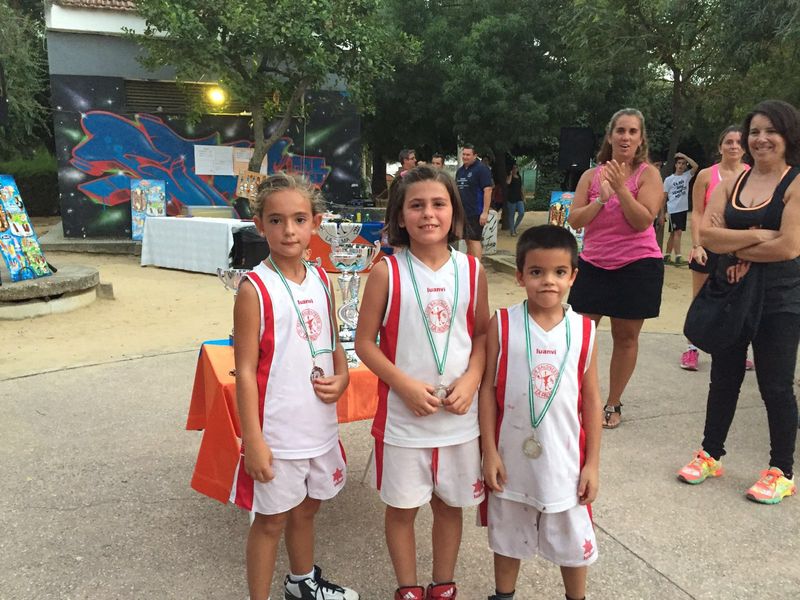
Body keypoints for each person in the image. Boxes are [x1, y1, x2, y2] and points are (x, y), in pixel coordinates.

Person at [355, 165, 490, 600]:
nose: (428, 213)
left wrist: (472, 378)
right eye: (416, 205)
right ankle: (408, 588)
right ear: (400, 216)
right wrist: (404, 385)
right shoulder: (387, 272)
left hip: (458, 418)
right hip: (405, 420)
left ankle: (443, 585)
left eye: (438, 204)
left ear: (454, 212)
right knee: (402, 508)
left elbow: (482, 335)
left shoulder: (472, 271)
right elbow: (364, 342)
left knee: (449, 506)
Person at [231, 173, 357, 600]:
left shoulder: (322, 279)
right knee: (270, 521)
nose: (289, 230)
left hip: (318, 425)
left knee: (307, 508)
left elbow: (334, 342)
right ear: (259, 225)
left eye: (299, 219)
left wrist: (342, 376)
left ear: (315, 223)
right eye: (276, 220)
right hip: (278, 433)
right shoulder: (254, 289)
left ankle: (302, 583)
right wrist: (253, 440)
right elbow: (244, 370)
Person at [677, 99, 800, 504]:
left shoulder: (795, 183)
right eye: (755, 132)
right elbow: (709, 236)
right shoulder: (735, 182)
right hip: (732, 294)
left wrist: (735, 244)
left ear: (788, 135)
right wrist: (760, 235)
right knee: (724, 376)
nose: (761, 139)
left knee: (775, 385)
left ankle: (781, 470)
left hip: (780, 299)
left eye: (771, 131)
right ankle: (711, 454)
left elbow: (788, 247)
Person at [480, 225, 601, 600]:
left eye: (559, 272)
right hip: (511, 458)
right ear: (520, 276)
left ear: (573, 276)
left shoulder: (584, 330)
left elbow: (591, 399)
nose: (548, 281)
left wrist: (592, 464)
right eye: (537, 271)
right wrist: (489, 452)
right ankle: (504, 595)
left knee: (572, 538)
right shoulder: (503, 324)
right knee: (508, 536)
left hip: (565, 462)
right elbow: (487, 390)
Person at [566, 108, 664, 430]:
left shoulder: (648, 175)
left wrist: (621, 189)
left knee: (625, 337)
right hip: (593, 264)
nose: (626, 137)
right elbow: (574, 220)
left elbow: (642, 221)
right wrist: (600, 200)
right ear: (610, 136)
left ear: (641, 139)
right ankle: (577, 399)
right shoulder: (589, 176)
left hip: (637, 266)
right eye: (620, 130)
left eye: (633, 131)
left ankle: (612, 402)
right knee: (580, 337)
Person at [679, 127, 751, 371]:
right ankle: (691, 349)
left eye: (738, 142)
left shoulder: (752, 175)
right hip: (708, 245)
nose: (734, 146)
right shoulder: (706, 175)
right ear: (720, 147)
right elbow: (697, 212)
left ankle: (734, 350)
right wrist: (697, 244)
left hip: (738, 248)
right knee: (701, 299)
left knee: (737, 301)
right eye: (728, 142)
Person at [455, 144, 493, 258]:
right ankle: (470, 264)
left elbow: (488, 190)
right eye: (464, 154)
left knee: (474, 240)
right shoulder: (460, 171)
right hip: (463, 212)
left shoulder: (482, 169)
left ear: (475, 156)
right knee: (467, 240)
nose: (465, 157)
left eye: (468, 155)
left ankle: (477, 266)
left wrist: (485, 212)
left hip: (476, 212)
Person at [661, 151, 698, 265]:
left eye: (683, 164)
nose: (681, 166)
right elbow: (664, 197)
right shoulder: (669, 180)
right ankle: (678, 257)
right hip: (674, 209)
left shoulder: (686, 176)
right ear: (675, 165)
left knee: (674, 233)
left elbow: (695, 166)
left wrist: (685, 156)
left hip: (683, 209)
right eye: (679, 163)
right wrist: (662, 213)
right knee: (678, 232)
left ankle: (667, 256)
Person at [505, 164, 525, 236]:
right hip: (511, 198)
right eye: (513, 168)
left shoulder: (519, 177)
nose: (515, 169)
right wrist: (510, 174)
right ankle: (512, 231)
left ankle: (514, 227)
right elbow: (508, 182)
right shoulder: (509, 177)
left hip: (519, 198)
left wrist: (523, 197)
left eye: (516, 168)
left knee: (522, 213)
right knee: (511, 215)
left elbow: (521, 188)